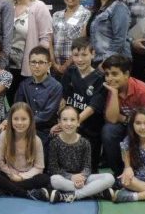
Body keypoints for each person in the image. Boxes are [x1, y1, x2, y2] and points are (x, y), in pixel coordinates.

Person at [101, 55, 145, 177]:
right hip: (131, 126)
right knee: (108, 131)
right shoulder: (113, 89)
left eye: (115, 74)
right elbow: (112, 119)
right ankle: (120, 173)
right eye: (107, 74)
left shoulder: (142, 90)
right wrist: (114, 94)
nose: (110, 78)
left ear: (126, 74)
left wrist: (125, 119)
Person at [54, 37, 106, 172]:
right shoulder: (70, 72)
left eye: (84, 55)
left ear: (93, 54)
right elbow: (63, 100)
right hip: (69, 125)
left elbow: (91, 108)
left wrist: (71, 123)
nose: (80, 59)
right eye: (76, 55)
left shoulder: (100, 78)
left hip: (89, 130)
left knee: (88, 171)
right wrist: (62, 121)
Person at [0, 102, 52, 201]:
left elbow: (39, 167)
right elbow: (0, 162)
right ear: (10, 120)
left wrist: (21, 177)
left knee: (45, 178)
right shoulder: (4, 136)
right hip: (7, 174)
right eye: (16, 119)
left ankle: (5, 189)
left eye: (24, 119)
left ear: (30, 120)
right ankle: (26, 193)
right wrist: (11, 174)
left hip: (27, 177)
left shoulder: (36, 140)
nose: (19, 123)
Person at [48, 106, 115, 203]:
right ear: (59, 122)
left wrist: (82, 177)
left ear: (78, 122)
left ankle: (73, 195)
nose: (69, 123)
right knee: (54, 180)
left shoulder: (85, 142)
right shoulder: (54, 143)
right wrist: (71, 177)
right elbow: (53, 168)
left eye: (72, 120)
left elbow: (87, 167)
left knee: (110, 178)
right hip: (65, 179)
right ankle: (94, 192)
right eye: (65, 120)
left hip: (82, 179)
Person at [8, 0, 53, 99]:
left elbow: (46, 38)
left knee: (29, 104)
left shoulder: (39, 7)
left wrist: (38, 62)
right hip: (9, 67)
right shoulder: (8, 6)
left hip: (30, 67)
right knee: (13, 104)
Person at [13, 46, 62, 148]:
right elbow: (17, 106)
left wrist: (25, 123)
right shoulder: (24, 84)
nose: (36, 66)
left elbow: (46, 115)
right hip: (22, 126)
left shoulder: (56, 86)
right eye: (33, 62)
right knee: (0, 136)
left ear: (49, 64)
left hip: (44, 130)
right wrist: (7, 121)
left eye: (41, 62)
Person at [88, 0, 130, 64]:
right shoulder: (96, 9)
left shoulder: (119, 7)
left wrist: (106, 62)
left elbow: (119, 39)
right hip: (98, 60)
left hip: (114, 63)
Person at [52, 0, 92, 76]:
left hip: (77, 66)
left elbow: (82, 42)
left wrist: (66, 65)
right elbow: (50, 41)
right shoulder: (56, 15)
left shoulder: (86, 14)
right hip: (55, 67)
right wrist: (53, 63)